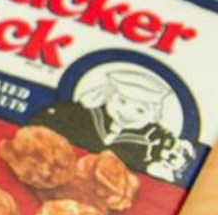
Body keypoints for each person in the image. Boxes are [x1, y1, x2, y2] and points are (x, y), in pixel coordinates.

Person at [29, 69, 193, 181]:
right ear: (107, 96)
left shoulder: (155, 142)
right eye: (121, 101)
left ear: (153, 116)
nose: (127, 113)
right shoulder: (82, 114)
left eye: (140, 110)